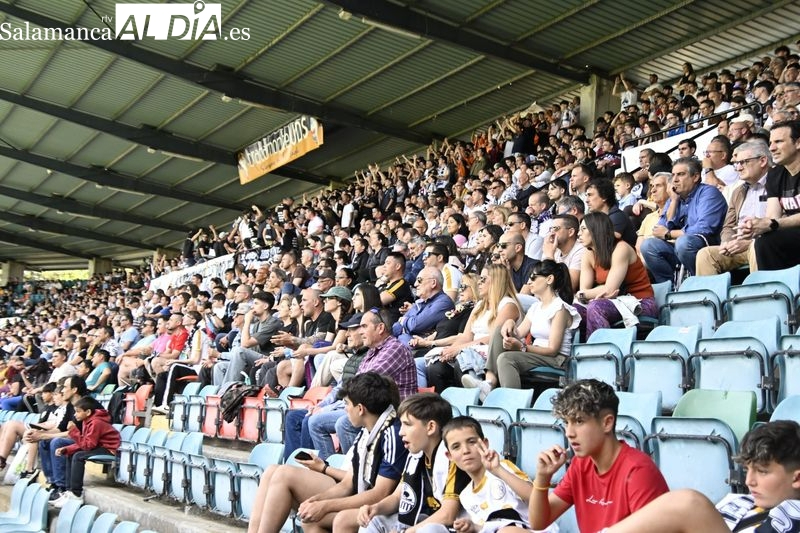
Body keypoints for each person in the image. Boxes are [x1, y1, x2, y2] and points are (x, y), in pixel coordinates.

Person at [247, 372, 407, 533]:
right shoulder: (365, 433)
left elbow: (379, 494)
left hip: (382, 510)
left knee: (285, 477)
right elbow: (348, 483)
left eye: (347, 404)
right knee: (308, 513)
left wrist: (325, 505)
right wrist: (317, 500)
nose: (345, 409)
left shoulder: (393, 435)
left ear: (360, 409)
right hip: (360, 498)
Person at [602, 420, 800, 533]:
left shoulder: (794, 512)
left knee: (689, 504)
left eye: (763, 471)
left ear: (797, 478)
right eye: (748, 470)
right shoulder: (740, 500)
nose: (749, 481)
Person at [529, 379, 669, 533]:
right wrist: (542, 477)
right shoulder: (580, 464)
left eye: (579, 421)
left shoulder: (639, 471)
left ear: (607, 423)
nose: (569, 433)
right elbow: (539, 523)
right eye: (566, 422)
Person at [357, 393, 468, 533]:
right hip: (424, 519)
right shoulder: (415, 455)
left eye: (407, 425)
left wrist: (407, 532)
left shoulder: (452, 457)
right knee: (373, 520)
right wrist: (375, 508)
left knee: (429, 530)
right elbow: (398, 497)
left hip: (456, 527)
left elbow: (448, 515)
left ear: (431, 427)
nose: (400, 433)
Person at [422, 265, 520, 397]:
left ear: (497, 281)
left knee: (461, 363)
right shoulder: (480, 305)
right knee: (436, 367)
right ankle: (445, 407)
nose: (479, 282)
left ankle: (471, 404)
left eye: (483, 279)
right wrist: (450, 351)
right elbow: (467, 335)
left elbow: (494, 338)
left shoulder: (508, 305)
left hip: (489, 352)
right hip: (470, 348)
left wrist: (459, 349)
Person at [485, 260, 580, 390]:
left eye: (533, 278)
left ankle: (511, 403)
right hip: (537, 353)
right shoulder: (535, 307)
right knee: (499, 332)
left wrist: (523, 348)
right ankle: (489, 382)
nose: (529, 282)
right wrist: (510, 322)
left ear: (549, 279)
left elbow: (553, 350)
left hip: (557, 359)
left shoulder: (560, 308)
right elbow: (518, 333)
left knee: (506, 358)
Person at [639, 158, 727, 282]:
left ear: (695, 177)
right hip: (682, 248)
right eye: (673, 175)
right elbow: (660, 229)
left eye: (680, 174)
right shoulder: (674, 198)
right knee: (648, 245)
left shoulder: (708, 193)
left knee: (684, 242)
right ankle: (669, 288)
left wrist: (669, 234)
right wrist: (674, 201)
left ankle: (697, 282)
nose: (674, 179)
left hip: (710, 246)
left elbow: (704, 228)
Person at [442, 417, 532, 533]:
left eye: (471, 442)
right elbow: (488, 528)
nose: (465, 450)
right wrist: (473, 527)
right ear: (450, 456)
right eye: (456, 447)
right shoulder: (466, 496)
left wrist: (498, 470)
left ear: (485, 444)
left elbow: (534, 495)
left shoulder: (502, 468)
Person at [576, 212, 657, 338]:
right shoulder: (588, 254)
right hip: (611, 302)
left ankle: (603, 353)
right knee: (573, 311)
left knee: (596, 307)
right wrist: (584, 294)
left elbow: (609, 290)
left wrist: (585, 294)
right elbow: (583, 291)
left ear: (597, 230)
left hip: (639, 303)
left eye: (583, 229)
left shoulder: (621, 248)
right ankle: (579, 354)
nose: (578, 234)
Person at [695, 141, 770, 275]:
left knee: (756, 247)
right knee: (705, 254)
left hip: (765, 244)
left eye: (743, 162)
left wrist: (751, 242)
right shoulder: (738, 191)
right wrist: (726, 243)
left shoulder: (776, 183)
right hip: (738, 246)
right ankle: (710, 296)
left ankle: (760, 294)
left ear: (762, 161)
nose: (738, 168)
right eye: (737, 163)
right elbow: (728, 226)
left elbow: (779, 222)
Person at [741, 121, 800, 270]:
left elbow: (774, 222)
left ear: (798, 143)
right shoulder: (775, 173)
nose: (772, 148)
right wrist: (757, 225)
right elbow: (772, 216)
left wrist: (773, 224)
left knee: (767, 242)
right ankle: (774, 291)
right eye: (771, 142)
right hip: (793, 234)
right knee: (764, 241)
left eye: (779, 142)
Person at [51, 396, 121, 507]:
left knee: (78, 456)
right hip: (98, 446)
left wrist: (73, 431)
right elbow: (84, 442)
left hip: (109, 449)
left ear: (88, 412)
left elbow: (88, 445)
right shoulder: (86, 421)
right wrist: (67, 449)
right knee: (71, 454)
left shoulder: (96, 423)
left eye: (78, 412)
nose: (75, 415)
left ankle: (77, 493)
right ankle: (69, 492)